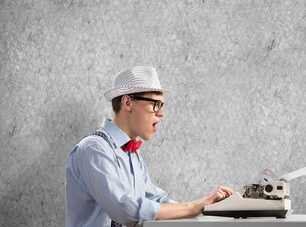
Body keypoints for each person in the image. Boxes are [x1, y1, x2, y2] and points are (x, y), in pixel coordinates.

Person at [66, 66, 233, 227]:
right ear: (127, 102)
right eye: (155, 104)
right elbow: (125, 210)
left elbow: (156, 200)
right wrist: (194, 207)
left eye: (161, 105)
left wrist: (208, 207)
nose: (161, 113)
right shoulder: (93, 149)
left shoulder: (133, 156)